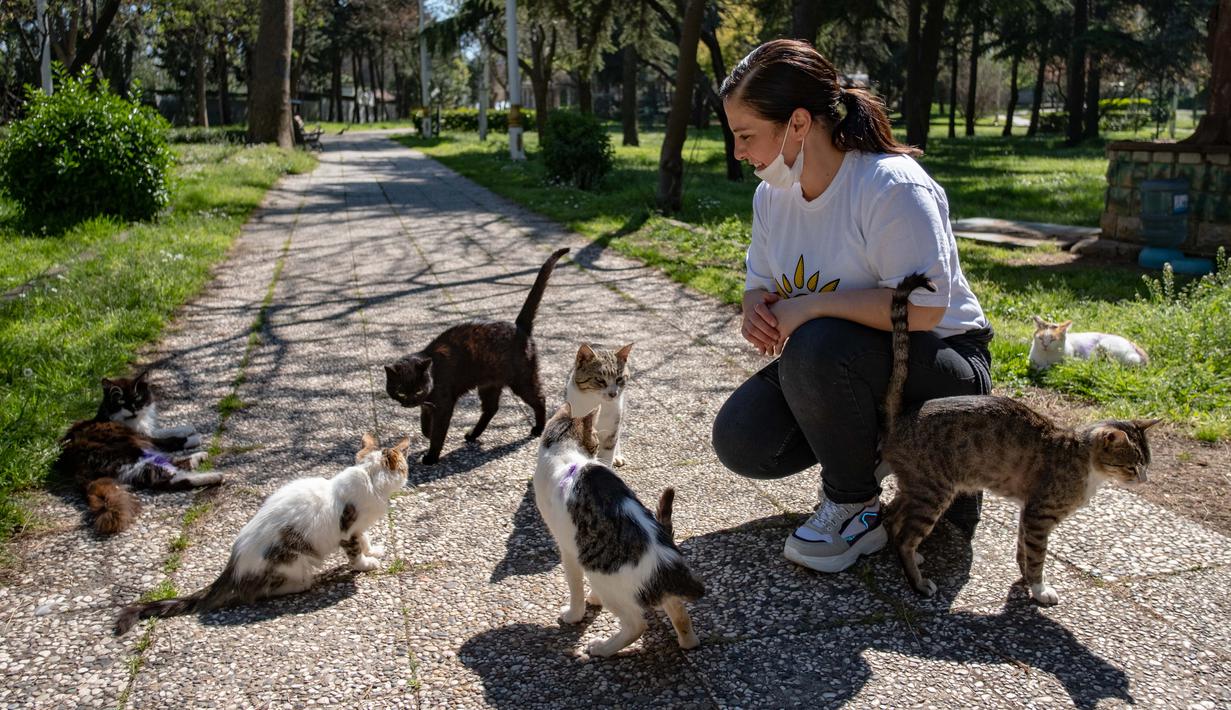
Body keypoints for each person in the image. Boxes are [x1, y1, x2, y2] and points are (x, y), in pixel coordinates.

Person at [710, 39, 993, 574]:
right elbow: (760, 283)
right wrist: (756, 307)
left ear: (797, 124)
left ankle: (854, 506)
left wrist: (810, 307)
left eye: (746, 136)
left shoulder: (890, 186)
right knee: (743, 440)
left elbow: (928, 310)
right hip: (853, 362)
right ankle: (887, 447)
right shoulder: (772, 197)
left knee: (819, 343)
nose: (739, 152)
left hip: (947, 367)